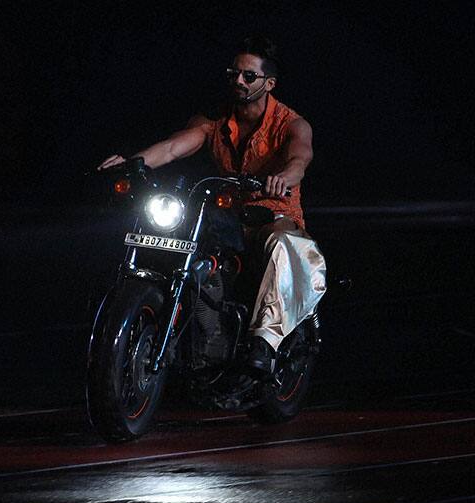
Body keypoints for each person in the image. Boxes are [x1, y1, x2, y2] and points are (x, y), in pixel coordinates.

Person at [97, 35, 326, 374]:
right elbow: (175, 146)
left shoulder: (291, 123)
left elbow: (299, 157)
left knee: (282, 243)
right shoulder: (215, 119)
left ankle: (265, 340)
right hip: (227, 215)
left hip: (272, 213)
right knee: (183, 237)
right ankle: (199, 326)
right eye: (234, 73)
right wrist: (134, 163)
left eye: (249, 76)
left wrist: (284, 177)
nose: (238, 81)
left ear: (269, 83)